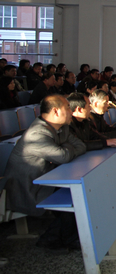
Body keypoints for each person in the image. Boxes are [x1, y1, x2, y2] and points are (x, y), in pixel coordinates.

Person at [3, 95, 87, 253]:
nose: (71, 112)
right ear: (56, 111)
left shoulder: (61, 128)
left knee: (76, 192)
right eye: (67, 108)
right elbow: (63, 156)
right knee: (72, 196)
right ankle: (53, 239)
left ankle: (62, 237)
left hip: (45, 181)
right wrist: (66, 148)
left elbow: (81, 146)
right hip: (26, 188)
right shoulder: (37, 134)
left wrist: (65, 148)